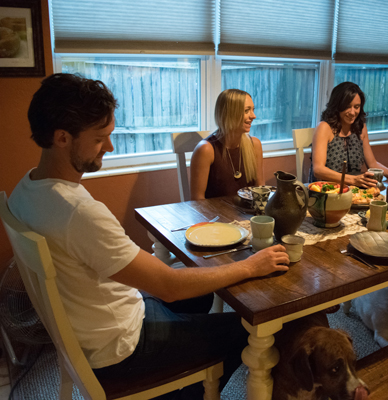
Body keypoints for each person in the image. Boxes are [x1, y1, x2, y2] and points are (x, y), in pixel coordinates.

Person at [8, 74, 290, 398]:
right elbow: (169, 287)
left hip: (112, 318)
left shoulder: (25, 189)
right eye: (101, 137)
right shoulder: (78, 212)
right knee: (246, 325)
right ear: (62, 138)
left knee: (207, 291)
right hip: (124, 345)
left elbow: (159, 281)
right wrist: (250, 267)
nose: (110, 146)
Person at [309, 82, 388, 187]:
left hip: (354, 190)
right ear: (337, 106)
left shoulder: (361, 128)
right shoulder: (324, 127)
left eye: (356, 107)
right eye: (347, 107)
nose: (352, 112)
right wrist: (353, 180)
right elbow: (318, 170)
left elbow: (372, 164)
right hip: (326, 190)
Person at [190, 89, 265, 199]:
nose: (253, 116)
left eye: (253, 110)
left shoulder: (255, 145)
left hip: (248, 215)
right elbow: (197, 201)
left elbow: (260, 189)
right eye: (246, 111)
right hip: (216, 215)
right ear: (229, 114)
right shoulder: (206, 150)